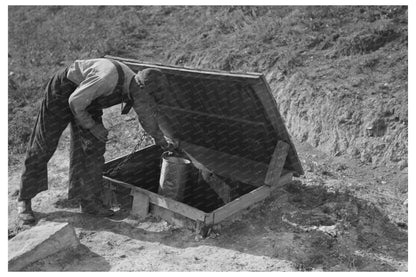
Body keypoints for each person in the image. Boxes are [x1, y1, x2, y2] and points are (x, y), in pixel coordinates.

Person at [17, 58, 174, 225]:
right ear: (141, 87)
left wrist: (160, 140)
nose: (145, 102)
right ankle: (24, 198)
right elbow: (75, 102)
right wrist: (92, 126)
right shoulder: (107, 78)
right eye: (146, 98)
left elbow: (146, 116)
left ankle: (88, 202)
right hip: (64, 91)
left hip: (89, 99)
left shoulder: (137, 88)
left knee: (94, 148)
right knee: (43, 145)